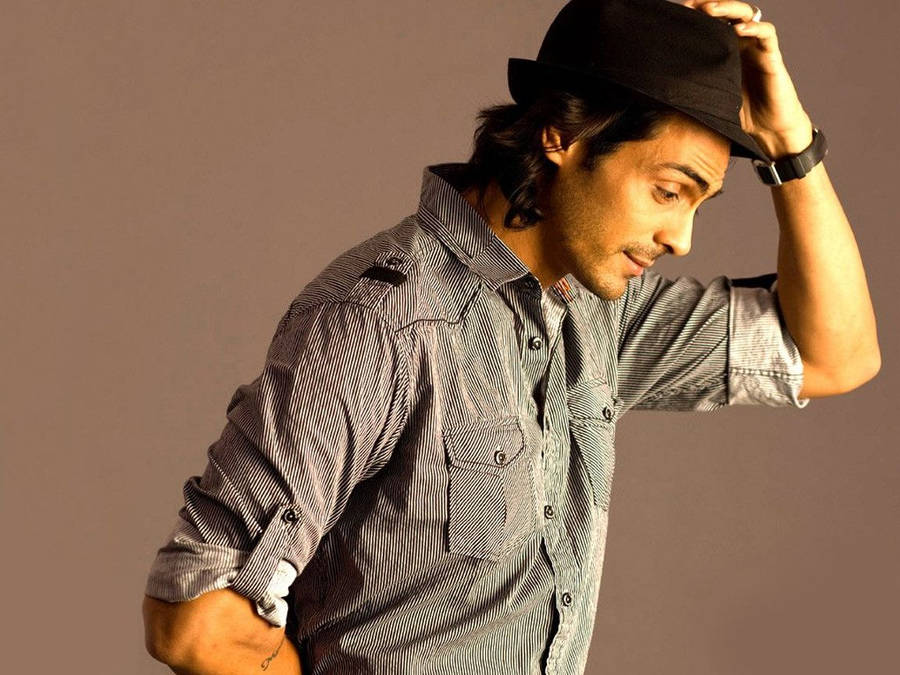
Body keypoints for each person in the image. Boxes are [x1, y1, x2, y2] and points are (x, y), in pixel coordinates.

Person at [142, 1, 880, 673]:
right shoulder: (387, 321)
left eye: (699, 204)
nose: (681, 238)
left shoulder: (599, 313)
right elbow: (198, 621)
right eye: (667, 191)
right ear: (561, 136)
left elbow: (833, 354)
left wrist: (789, 147)